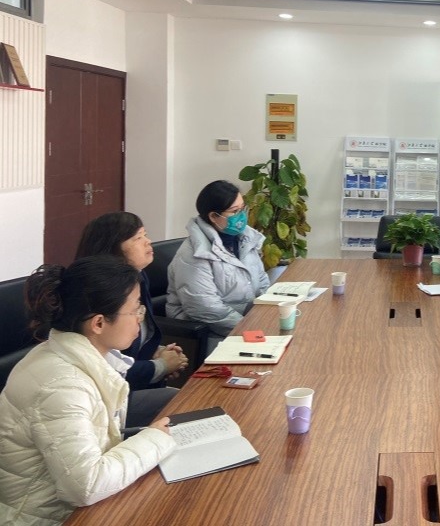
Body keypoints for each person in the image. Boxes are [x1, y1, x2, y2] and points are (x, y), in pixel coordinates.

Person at [0, 256, 175, 525]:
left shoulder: (78, 356)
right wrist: (155, 439)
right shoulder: (61, 386)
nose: (139, 319)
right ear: (99, 323)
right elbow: (87, 486)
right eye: (135, 310)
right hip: (46, 518)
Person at [75, 212, 188, 426]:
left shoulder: (138, 278)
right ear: (113, 247)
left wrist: (158, 352)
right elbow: (107, 368)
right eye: (138, 238)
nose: (148, 241)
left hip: (133, 386)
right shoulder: (98, 295)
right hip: (106, 401)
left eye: (145, 235)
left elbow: (135, 341)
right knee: (179, 402)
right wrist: (160, 366)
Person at [167, 180, 270, 347]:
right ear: (213, 216)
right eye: (235, 211)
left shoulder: (245, 240)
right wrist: (250, 329)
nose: (242, 215)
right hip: (209, 334)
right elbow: (204, 308)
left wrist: (269, 317)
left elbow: (262, 282)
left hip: (245, 325)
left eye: (243, 208)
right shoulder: (193, 255)